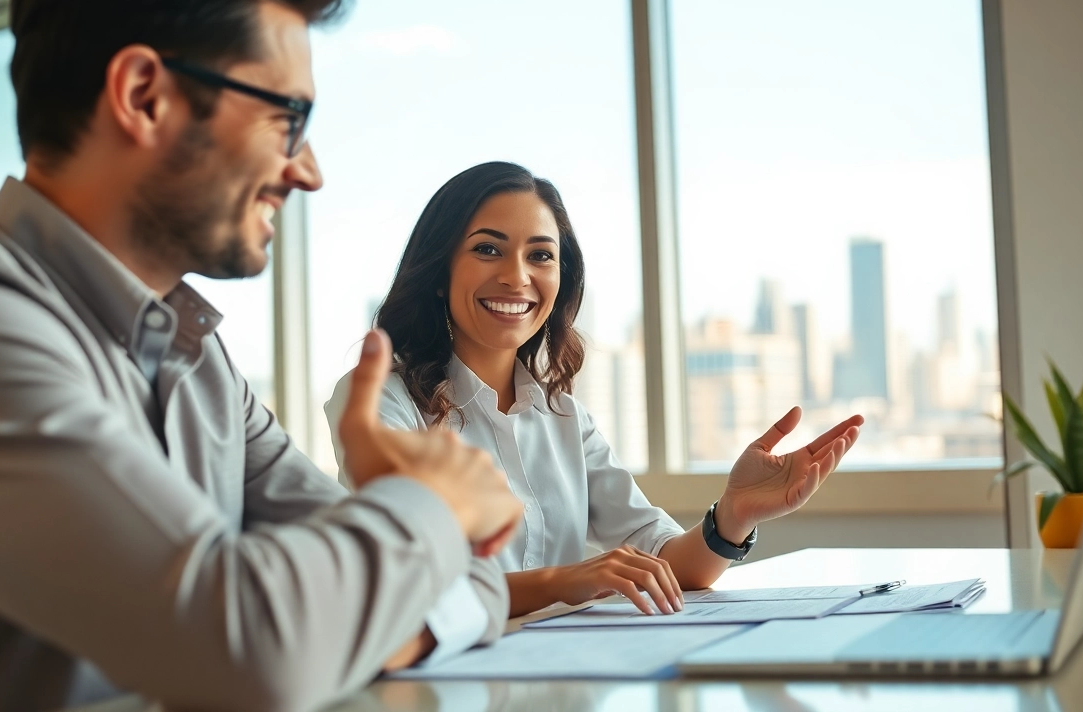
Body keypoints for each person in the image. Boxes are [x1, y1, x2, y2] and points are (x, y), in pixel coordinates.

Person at [0, 0, 524, 711]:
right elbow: (251, 651)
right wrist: (427, 501)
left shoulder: (200, 364)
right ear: (143, 96)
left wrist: (359, 612)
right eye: (287, 117)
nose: (310, 171)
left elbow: (476, 578)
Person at [327, 161, 864, 618]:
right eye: (488, 249)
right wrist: (563, 582)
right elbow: (412, 586)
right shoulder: (380, 402)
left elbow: (667, 565)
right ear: (440, 271)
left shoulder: (563, 417)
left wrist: (733, 515)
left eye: (541, 255)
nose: (517, 277)